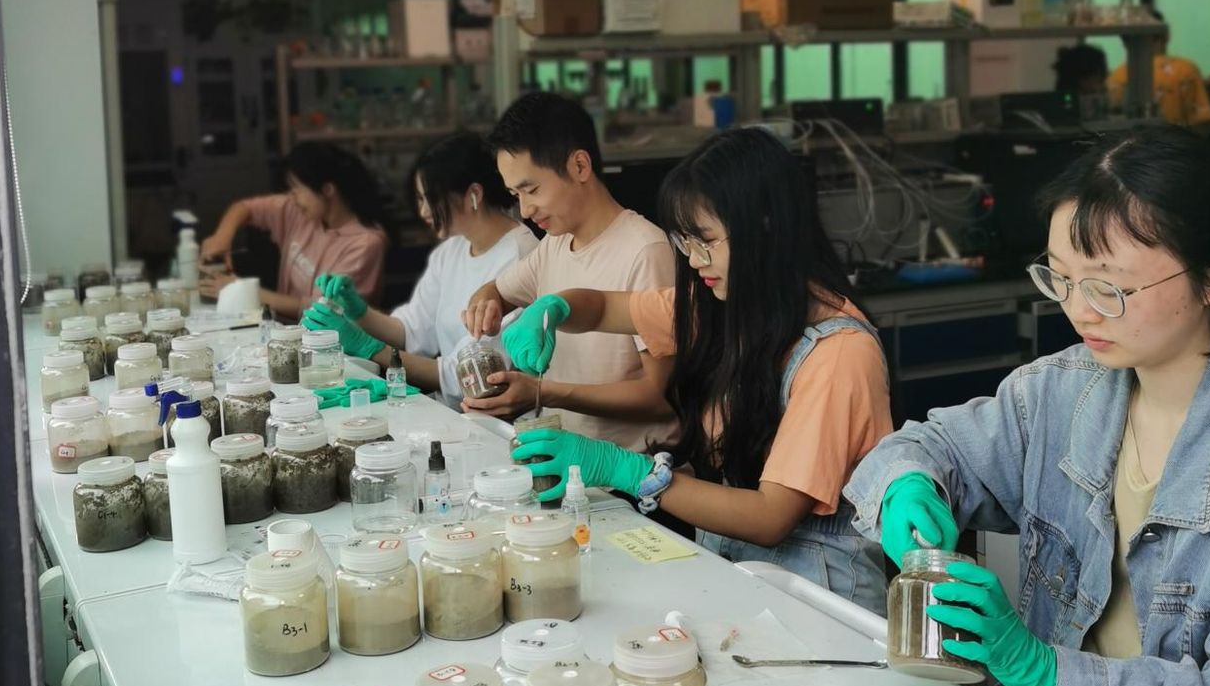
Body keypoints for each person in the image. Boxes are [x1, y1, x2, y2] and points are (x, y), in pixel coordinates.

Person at [843, 125, 1210, 686]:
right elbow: (929, 446)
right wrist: (904, 487)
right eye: (1061, 278)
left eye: (1110, 285)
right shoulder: (1063, 390)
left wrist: (1046, 672)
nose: (1080, 309)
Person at [503, 127, 894, 612]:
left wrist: (627, 470)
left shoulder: (839, 352)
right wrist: (555, 307)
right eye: (684, 241)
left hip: (821, 597)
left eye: (706, 240)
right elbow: (604, 309)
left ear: (766, 225)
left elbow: (771, 516)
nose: (694, 260)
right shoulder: (726, 305)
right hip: (739, 574)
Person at [462, 92, 677, 451]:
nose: (525, 210)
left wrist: (543, 393)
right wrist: (485, 304)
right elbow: (496, 290)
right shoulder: (556, 242)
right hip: (562, 460)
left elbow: (659, 396)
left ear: (579, 166)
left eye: (531, 189)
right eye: (515, 194)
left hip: (630, 475)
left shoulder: (645, 251)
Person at [303, 132, 538, 407]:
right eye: (419, 199)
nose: (424, 212)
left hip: (497, 419)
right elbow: (411, 332)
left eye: (431, 199)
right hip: (456, 412)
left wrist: (370, 349)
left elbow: (469, 374)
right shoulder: (451, 250)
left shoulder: (519, 256)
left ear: (473, 194)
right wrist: (358, 312)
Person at [199, 141, 388, 320]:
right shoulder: (302, 212)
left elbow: (324, 309)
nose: (292, 196)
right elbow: (245, 208)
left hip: (328, 345)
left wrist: (243, 289)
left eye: (297, 188)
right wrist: (222, 237)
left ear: (328, 190)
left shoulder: (365, 243)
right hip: (285, 332)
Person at [1107, 10, 1210, 130]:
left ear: (1125, 42)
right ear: (1167, 36)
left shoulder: (1115, 77)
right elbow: (1202, 121)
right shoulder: (1186, 70)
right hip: (1177, 146)